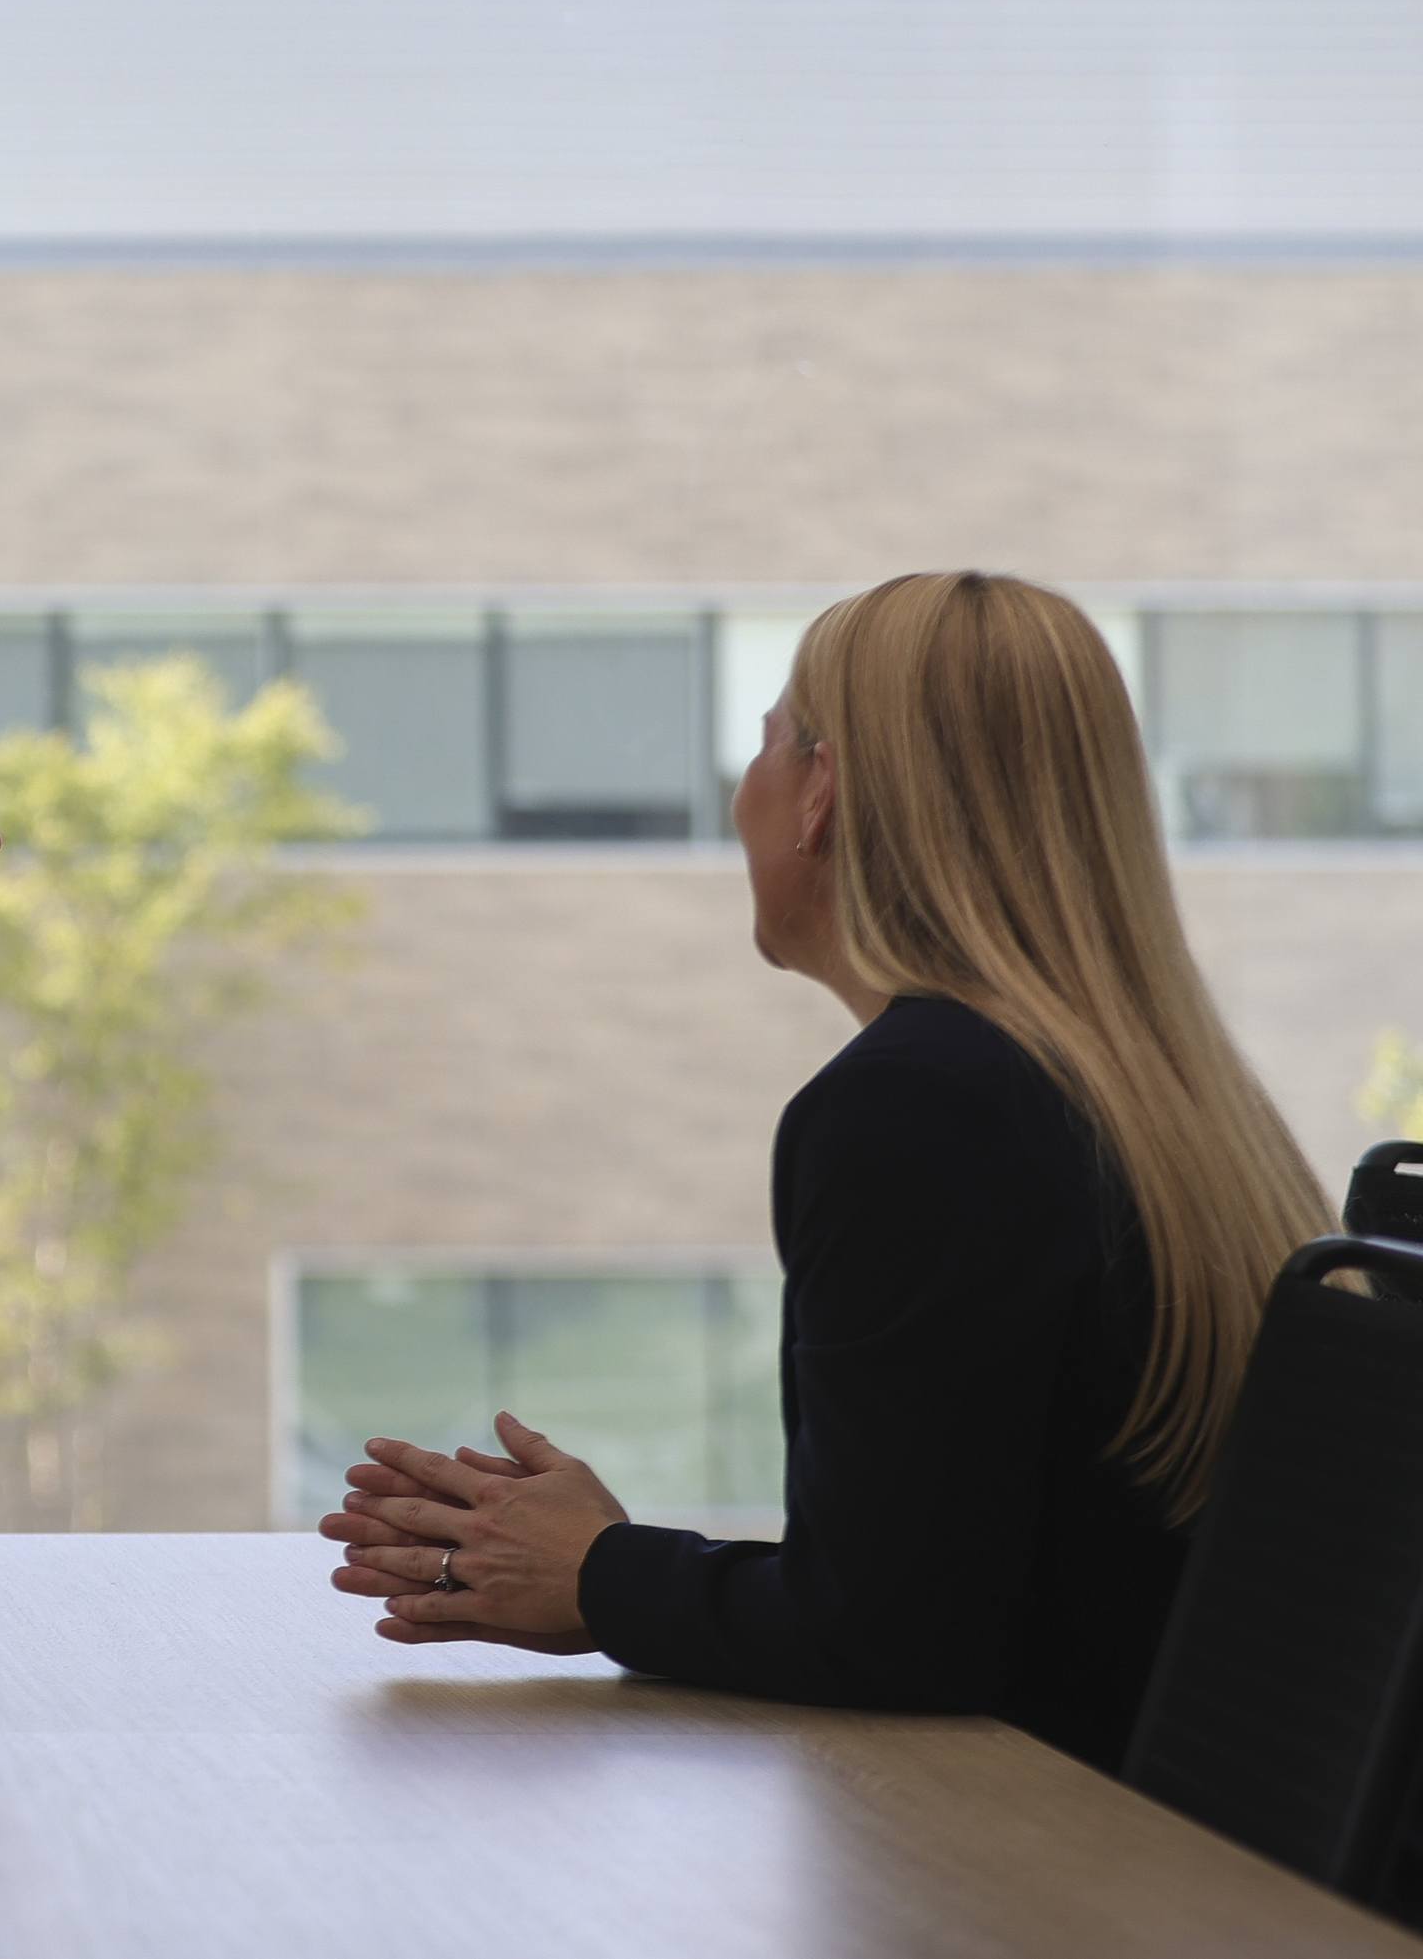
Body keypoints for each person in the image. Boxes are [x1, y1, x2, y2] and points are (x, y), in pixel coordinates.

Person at [320, 571, 1331, 1767]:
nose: (742, 796)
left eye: (761, 749)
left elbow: (897, 1639)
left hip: (1040, 1873)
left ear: (822, 792)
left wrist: (600, 1574)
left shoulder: (920, 1106)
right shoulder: (1164, 1094)